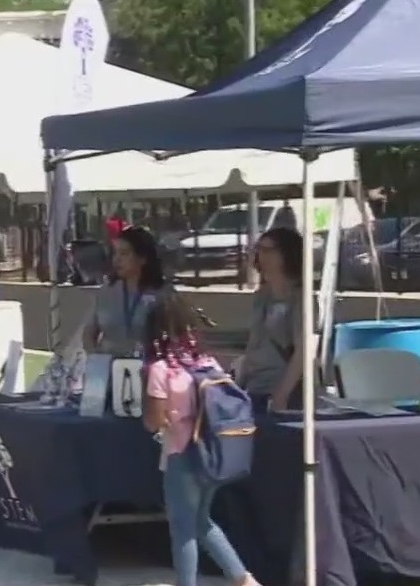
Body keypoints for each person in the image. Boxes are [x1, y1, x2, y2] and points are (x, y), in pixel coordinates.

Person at [142, 295, 260, 586]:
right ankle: (243, 579)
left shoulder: (160, 369)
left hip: (181, 455)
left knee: (183, 528)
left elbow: (153, 422)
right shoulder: (206, 362)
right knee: (201, 521)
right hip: (213, 452)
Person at [238, 227, 305, 413]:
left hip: (282, 391)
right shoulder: (261, 296)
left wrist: (281, 395)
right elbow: (253, 343)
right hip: (254, 387)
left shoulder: (300, 298)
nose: (262, 256)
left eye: (269, 250)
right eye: (259, 249)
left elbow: (303, 351)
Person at [82, 226, 167, 355]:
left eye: (124, 253)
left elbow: (175, 338)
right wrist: (94, 359)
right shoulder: (106, 291)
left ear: (143, 258)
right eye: (115, 252)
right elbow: (89, 333)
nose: (117, 259)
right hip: (107, 367)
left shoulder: (161, 294)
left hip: (146, 368)